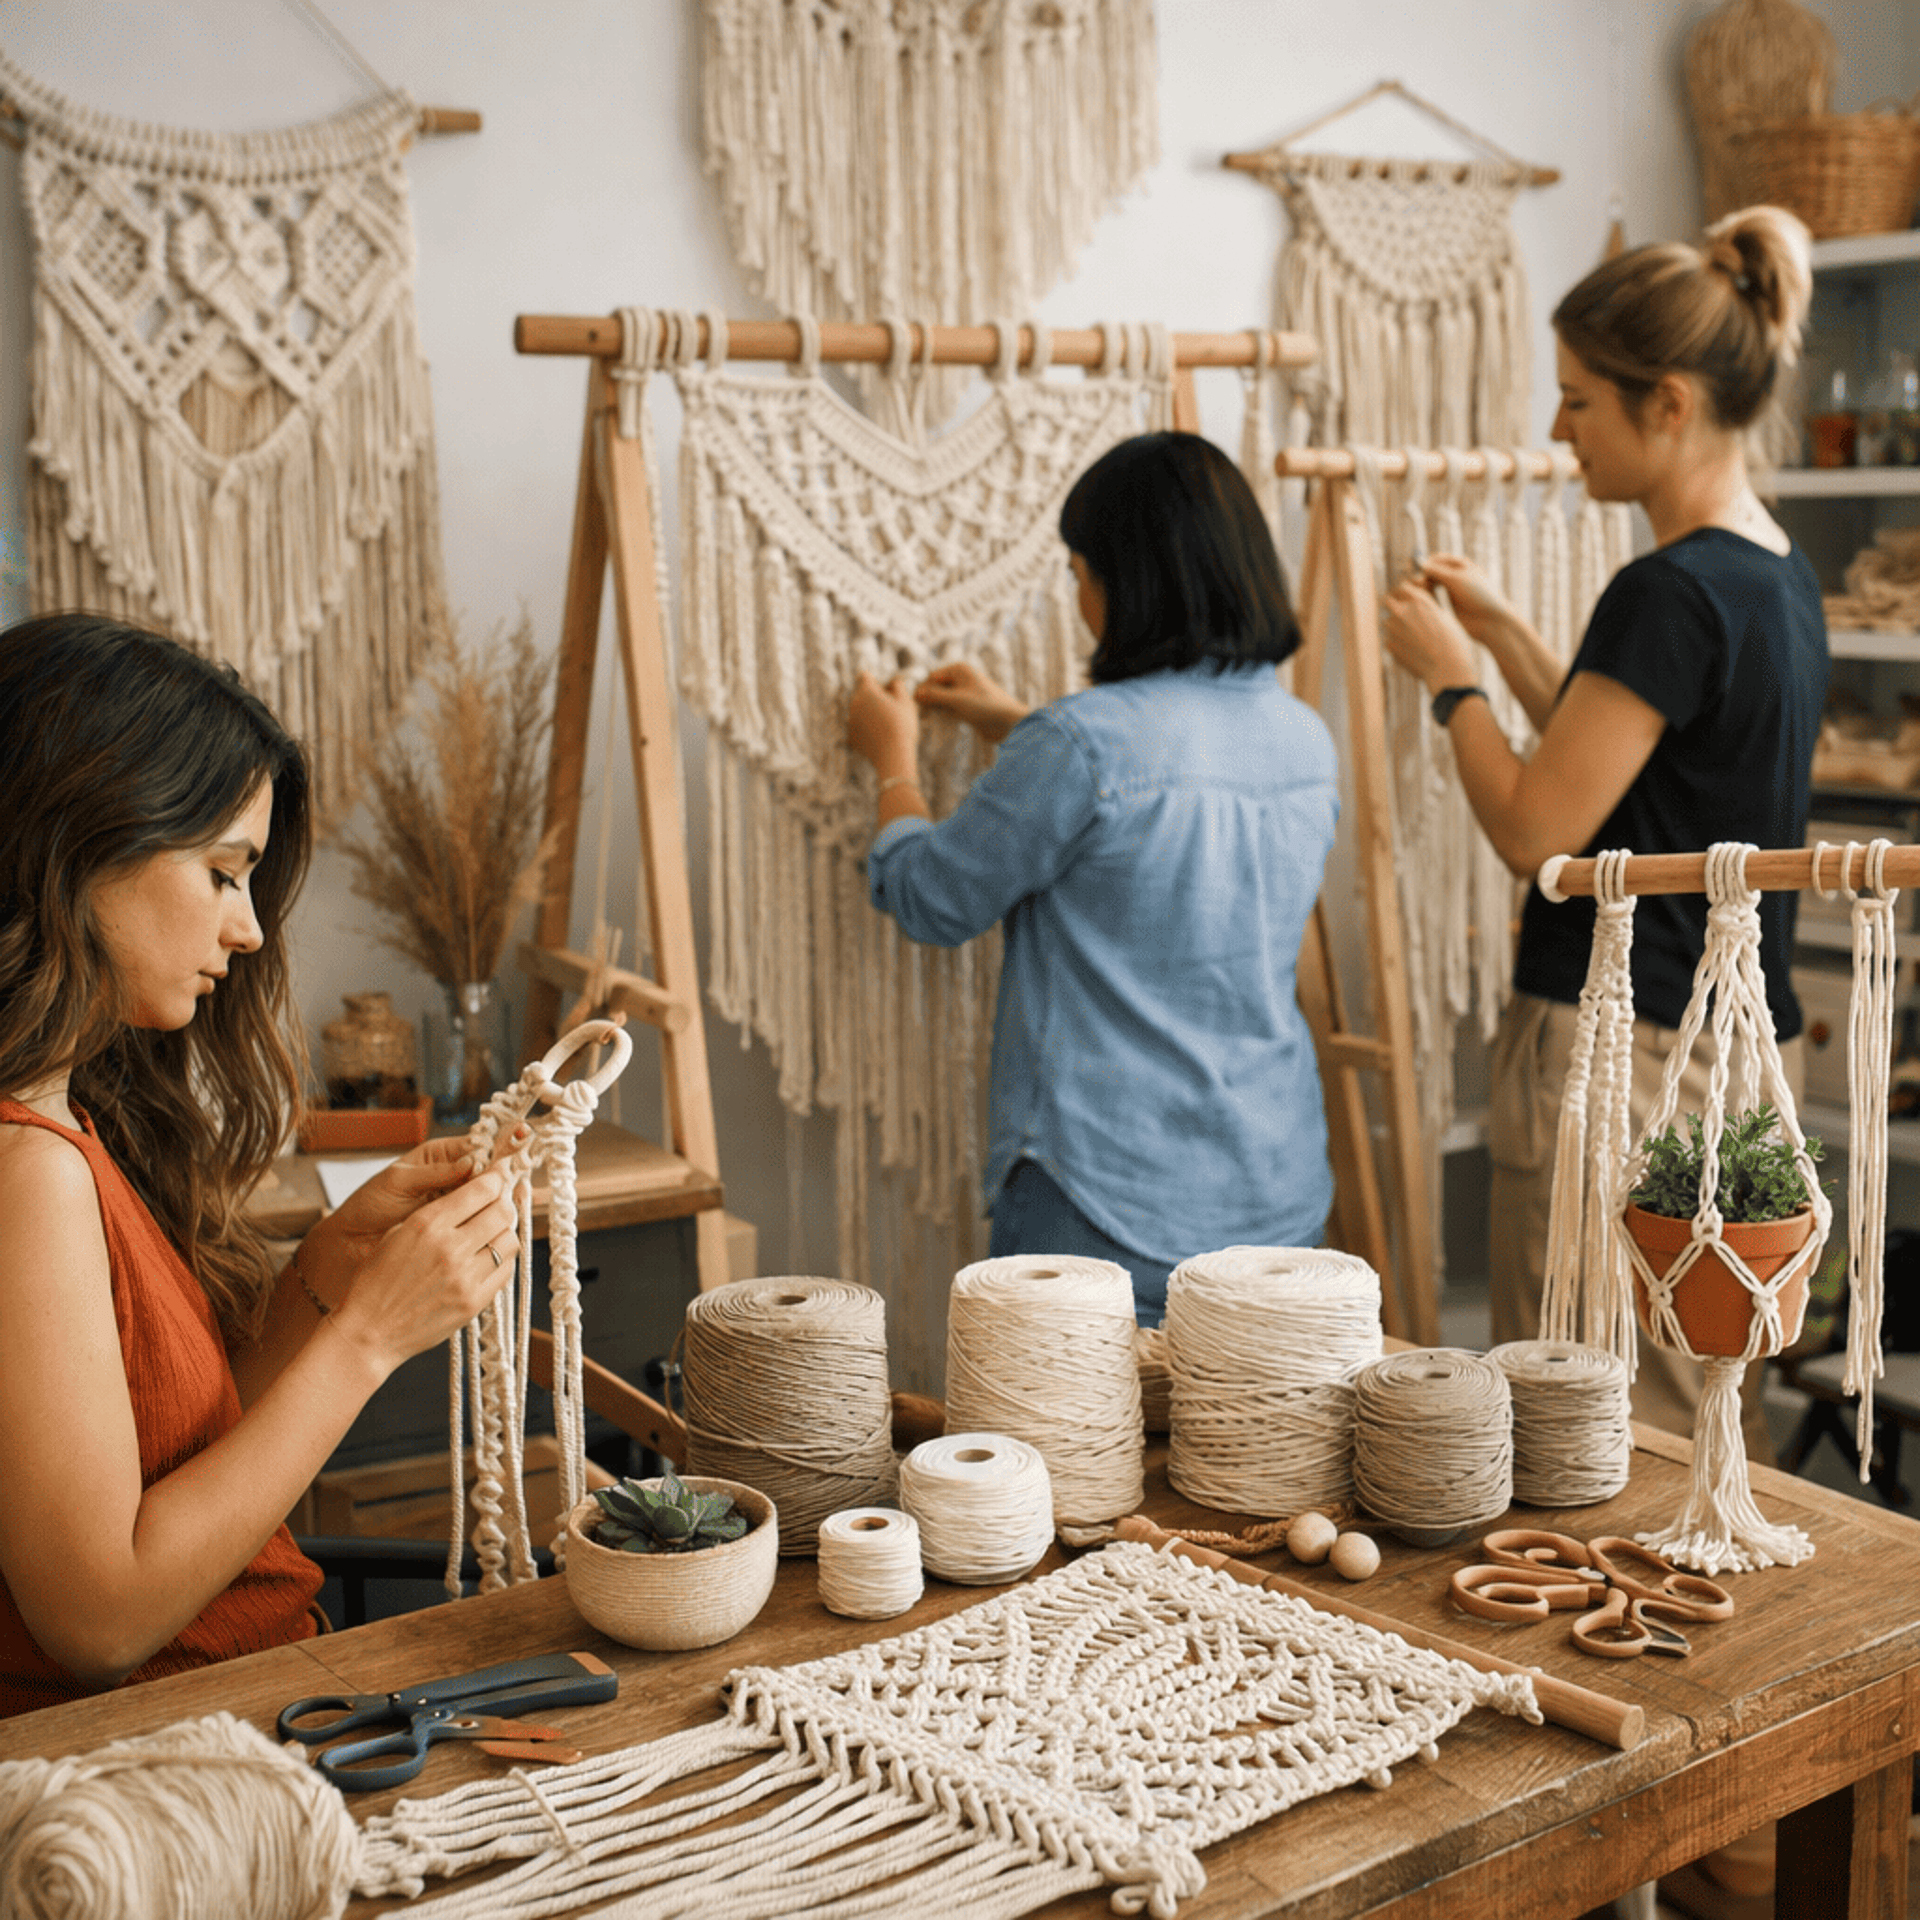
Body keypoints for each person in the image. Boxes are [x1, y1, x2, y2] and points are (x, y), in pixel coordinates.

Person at [1382, 213, 1824, 1920]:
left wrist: (1446, 688)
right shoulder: (1767, 574)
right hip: (1730, 1054)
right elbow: (1647, 777)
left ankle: (1610, 1839)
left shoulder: (1664, 590)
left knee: (1587, 1426)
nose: (1555, 428)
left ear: (1665, 404)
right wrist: (1511, 636)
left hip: (1619, 1053)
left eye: (1576, 400)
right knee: (1699, 1419)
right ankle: (1715, 1816)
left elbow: (1541, 828)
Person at [0, 614, 522, 1718]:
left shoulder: (67, 1115)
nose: (245, 930)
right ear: (83, 841)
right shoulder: (27, 1172)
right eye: (222, 873)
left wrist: (328, 1272)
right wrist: (368, 1336)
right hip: (181, 1756)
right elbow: (100, 1623)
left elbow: (164, 1457)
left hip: (255, 1698)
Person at [845, 431, 1339, 1326]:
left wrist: (892, 762)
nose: (1078, 599)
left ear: (1130, 584)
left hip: (1104, 1203)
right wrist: (1019, 726)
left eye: (1081, 574)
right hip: (1275, 1197)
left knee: (1068, 1425)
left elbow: (931, 897)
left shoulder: (1081, 744)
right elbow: (1150, 802)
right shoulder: (1304, 737)